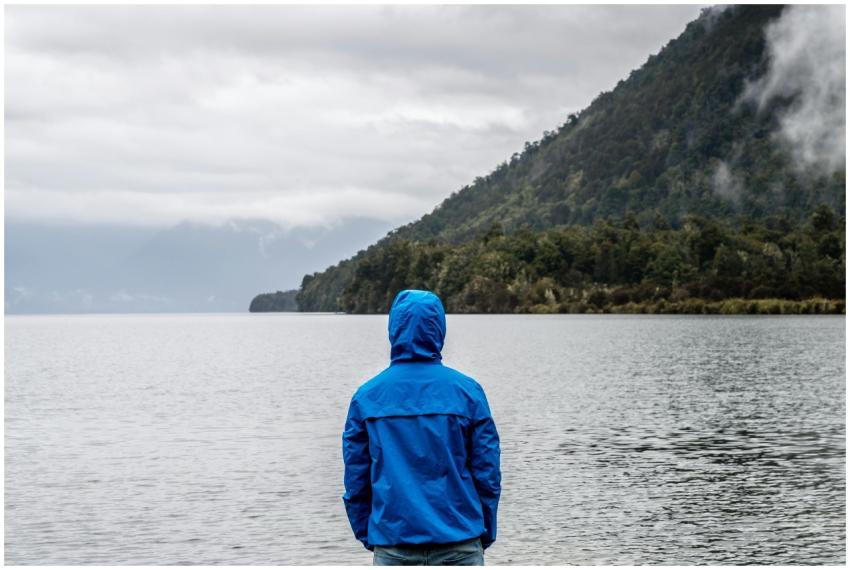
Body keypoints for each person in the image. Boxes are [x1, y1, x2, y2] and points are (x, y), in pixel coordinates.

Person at [342, 289, 501, 566]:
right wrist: (483, 530)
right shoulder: (468, 393)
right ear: (439, 328)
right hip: (460, 541)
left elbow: (356, 481)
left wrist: (370, 534)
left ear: (394, 328)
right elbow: (487, 475)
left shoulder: (367, 397)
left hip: (393, 545)